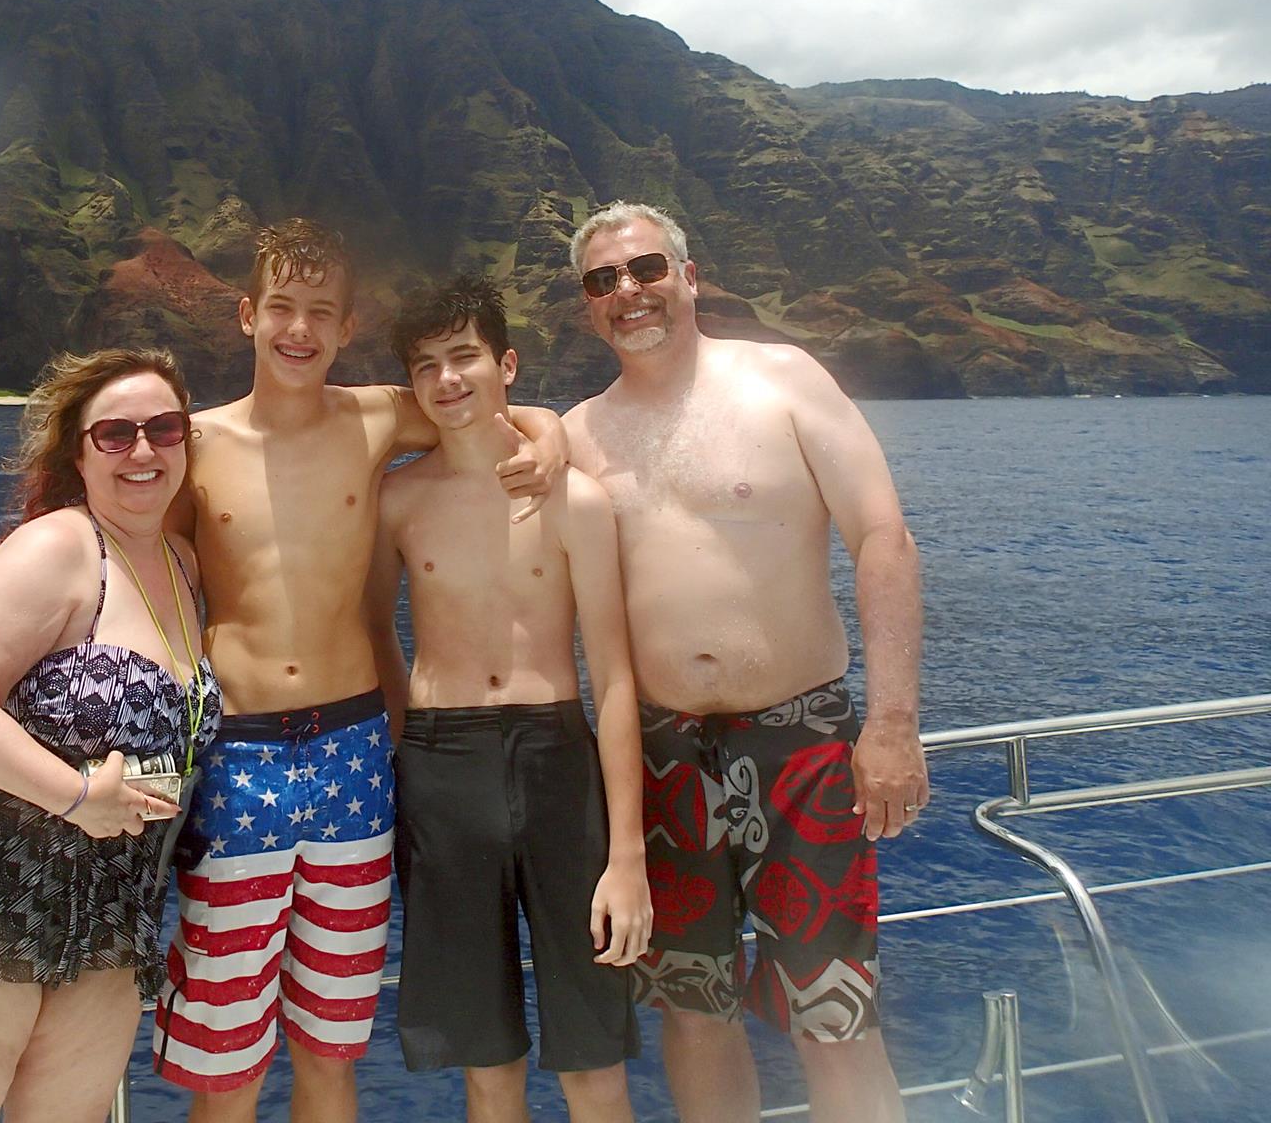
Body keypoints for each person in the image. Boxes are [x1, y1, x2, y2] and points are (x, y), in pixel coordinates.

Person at [150, 220, 568, 1123]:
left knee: (330, 1045)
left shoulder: (375, 416)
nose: (299, 329)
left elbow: (485, 404)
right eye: (282, 307)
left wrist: (550, 435)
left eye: (321, 312)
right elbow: (152, 579)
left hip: (352, 753)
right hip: (238, 759)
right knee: (228, 1064)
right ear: (248, 315)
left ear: (346, 327)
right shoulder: (197, 444)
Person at [562, 201, 927, 1123]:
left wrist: (893, 723)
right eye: (603, 280)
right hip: (661, 757)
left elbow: (881, 537)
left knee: (835, 1016)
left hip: (801, 743)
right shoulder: (578, 437)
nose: (628, 291)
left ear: (689, 277)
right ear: (588, 307)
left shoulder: (783, 380)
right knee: (693, 1014)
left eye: (647, 268)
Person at [0, 347, 224, 1123]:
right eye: (115, 434)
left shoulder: (184, 565)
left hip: (107, 918)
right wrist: (79, 796)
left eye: (164, 428)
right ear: (77, 454)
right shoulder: (57, 549)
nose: (144, 450)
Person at [367, 275, 651, 1123]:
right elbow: (376, 631)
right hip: (441, 767)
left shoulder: (574, 499)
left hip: (557, 760)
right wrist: (408, 744)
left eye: (465, 357)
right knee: (484, 1055)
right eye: (426, 365)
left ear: (508, 365)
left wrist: (627, 855)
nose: (447, 379)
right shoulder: (398, 500)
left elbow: (615, 675)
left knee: (593, 1052)